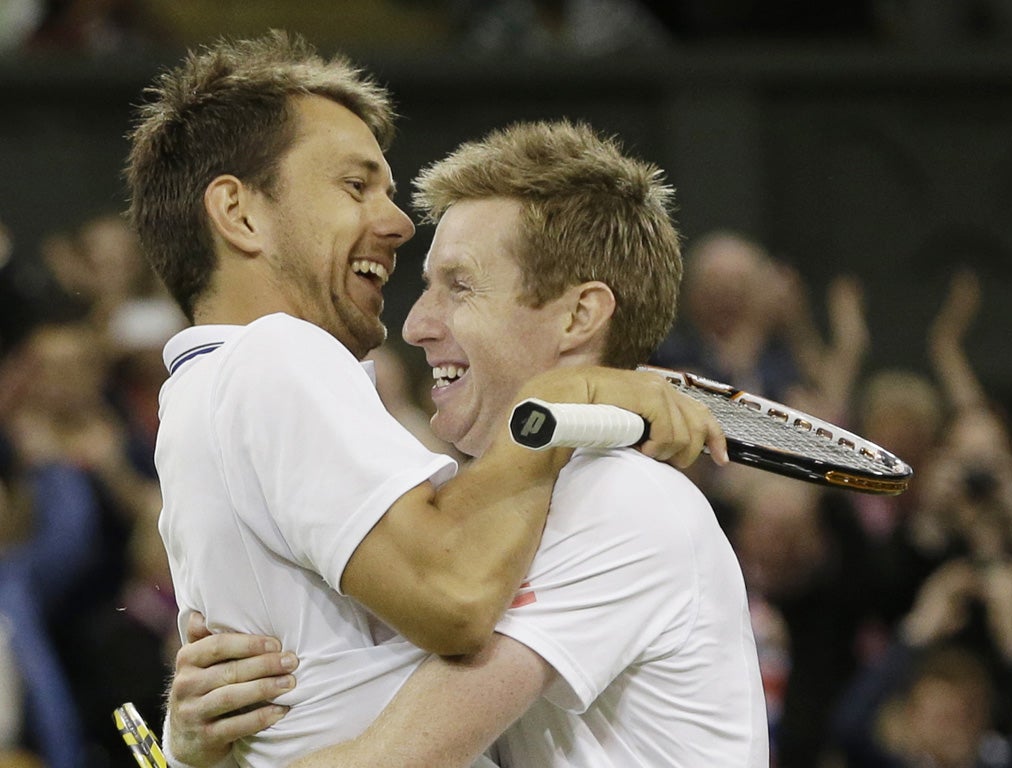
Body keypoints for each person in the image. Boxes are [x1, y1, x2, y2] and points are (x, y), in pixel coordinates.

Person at [125, 31, 728, 768]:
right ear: (240, 213)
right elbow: (453, 596)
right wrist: (559, 404)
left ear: (578, 316)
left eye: (461, 286)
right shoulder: (276, 355)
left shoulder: (620, 498)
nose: (397, 223)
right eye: (354, 186)